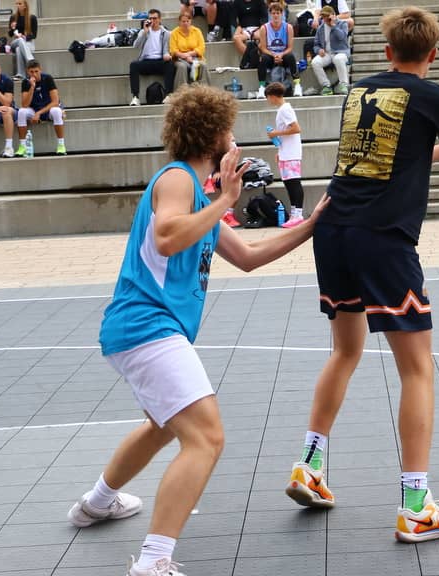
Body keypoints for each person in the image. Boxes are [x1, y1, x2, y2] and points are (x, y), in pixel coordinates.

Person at [285, 6, 439, 543]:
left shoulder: (360, 91)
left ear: (387, 49)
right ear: (434, 53)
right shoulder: (435, 96)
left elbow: (398, 153)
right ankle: (416, 506)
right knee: (417, 370)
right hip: (383, 238)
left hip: (336, 230)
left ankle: (310, 465)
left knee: (344, 352)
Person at [67, 84, 328, 576]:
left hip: (142, 329)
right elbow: (167, 237)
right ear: (214, 134)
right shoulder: (177, 180)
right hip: (147, 326)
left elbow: (248, 257)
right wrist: (226, 197)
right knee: (206, 438)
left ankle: (96, 503)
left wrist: (310, 225)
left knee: (165, 426)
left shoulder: (198, 196)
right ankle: (153, 561)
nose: (235, 137)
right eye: (229, 128)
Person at [264, 82, 307, 227]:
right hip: (286, 151)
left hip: (291, 153)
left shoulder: (285, 109)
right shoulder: (282, 110)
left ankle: (298, 214)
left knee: (294, 183)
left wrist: (276, 133)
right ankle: (294, 213)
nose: (268, 100)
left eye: (268, 97)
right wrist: (280, 150)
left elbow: (296, 128)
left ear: (272, 96)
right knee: (289, 183)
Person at [16, 60, 66, 156]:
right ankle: (22, 146)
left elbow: (55, 102)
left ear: (40, 70)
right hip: (34, 109)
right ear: (27, 72)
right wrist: (32, 87)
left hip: (48, 109)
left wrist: (39, 113)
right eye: (31, 72)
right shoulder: (25, 82)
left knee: (56, 111)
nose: (34, 74)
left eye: (36, 71)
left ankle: (61, 145)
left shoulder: (48, 78)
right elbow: (25, 104)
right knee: (21, 112)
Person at [129, 9, 175, 106]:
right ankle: (135, 97)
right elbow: (135, 46)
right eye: (150, 18)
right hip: (146, 61)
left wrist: (167, 55)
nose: (152, 21)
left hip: (160, 61)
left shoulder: (166, 33)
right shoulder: (143, 31)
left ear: (159, 19)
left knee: (170, 64)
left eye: (155, 18)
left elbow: (167, 49)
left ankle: (168, 95)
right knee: (133, 65)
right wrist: (144, 33)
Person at [256, 1, 299, 98]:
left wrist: (281, 55)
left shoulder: (288, 27)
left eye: (278, 13)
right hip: (271, 56)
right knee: (263, 58)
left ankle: (297, 85)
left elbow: (290, 47)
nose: (275, 15)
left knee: (291, 57)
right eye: (273, 13)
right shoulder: (264, 28)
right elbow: (263, 48)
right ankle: (261, 87)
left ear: (282, 14)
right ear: (270, 14)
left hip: (283, 55)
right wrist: (274, 55)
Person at [310, 5, 350, 95]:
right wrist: (319, 50)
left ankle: (344, 84)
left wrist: (333, 26)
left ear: (333, 15)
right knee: (315, 62)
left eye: (327, 16)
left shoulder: (342, 24)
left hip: (341, 52)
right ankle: (326, 86)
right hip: (327, 54)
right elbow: (316, 44)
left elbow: (342, 37)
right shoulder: (320, 28)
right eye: (324, 16)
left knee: (338, 59)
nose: (326, 18)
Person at [170, 13, 211, 91]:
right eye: (183, 21)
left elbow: (201, 47)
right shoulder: (174, 33)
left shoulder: (197, 31)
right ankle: (181, 92)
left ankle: (205, 91)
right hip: (179, 58)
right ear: (179, 22)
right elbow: (173, 50)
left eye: (187, 21)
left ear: (190, 21)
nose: (185, 23)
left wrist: (189, 54)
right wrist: (185, 57)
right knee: (182, 66)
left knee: (203, 65)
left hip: (195, 57)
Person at [7, 0, 37, 79]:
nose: (18, 5)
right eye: (17, 4)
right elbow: (10, 34)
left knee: (18, 49)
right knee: (20, 41)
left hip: (28, 42)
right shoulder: (13, 17)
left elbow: (34, 35)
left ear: (25, 6)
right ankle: (30, 60)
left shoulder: (32, 18)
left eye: (20, 4)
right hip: (15, 42)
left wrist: (25, 37)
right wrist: (13, 28)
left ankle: (21, 74)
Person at [233, 0, 266, 67]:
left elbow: (265, 17)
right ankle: (251, 59)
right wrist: (238, 27)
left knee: (264, 37)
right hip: (243, 29)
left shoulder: (260, 1)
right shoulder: (237, 2)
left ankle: (256, 58)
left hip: (257, 28)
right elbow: (233, 18)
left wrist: (260, 28)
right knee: (236, 38)